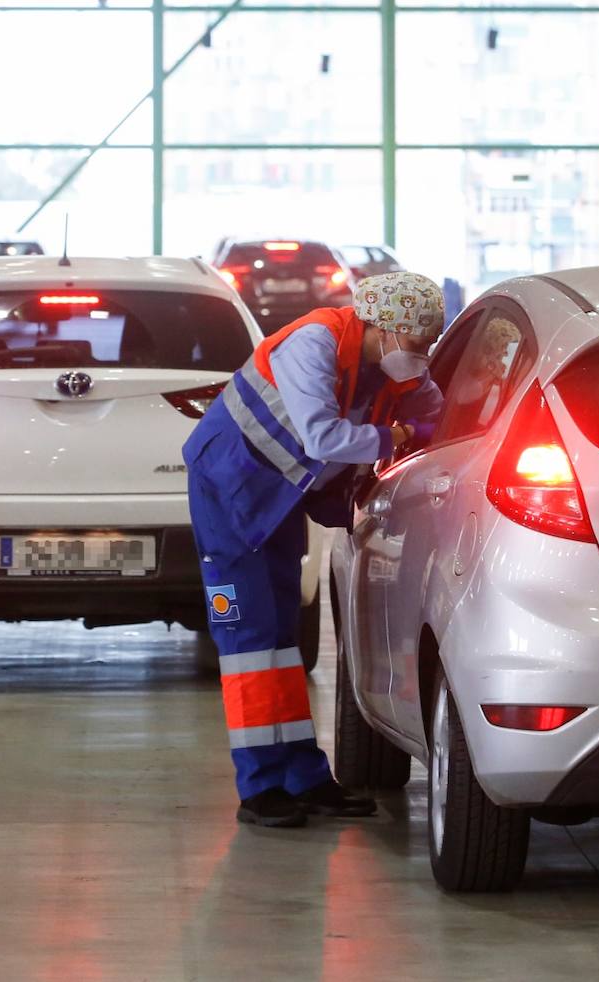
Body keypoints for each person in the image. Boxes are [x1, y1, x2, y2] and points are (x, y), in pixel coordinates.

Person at [184, 271, 446, 828]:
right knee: (250, 641)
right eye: (418, 344)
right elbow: (320, 438)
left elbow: (437, 411)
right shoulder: (315, 344)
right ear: (385, 327)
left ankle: (303, 777)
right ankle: (260, 788)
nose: (421, 356)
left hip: (280, 498)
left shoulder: (388, 366)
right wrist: (396, 438)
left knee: (281, 637)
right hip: (230, 491)